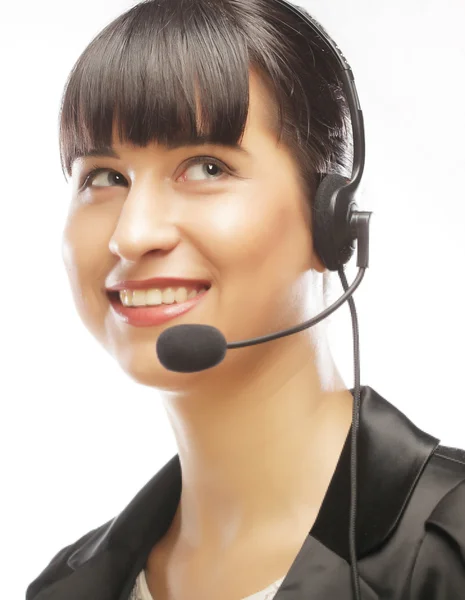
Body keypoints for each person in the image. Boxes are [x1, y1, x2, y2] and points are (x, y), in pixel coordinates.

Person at [26, 1, 465, 599]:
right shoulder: (66, 586)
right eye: (104, 177)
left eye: (205, 167)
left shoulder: (453, 547)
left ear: (330, 221)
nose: (131, 234)